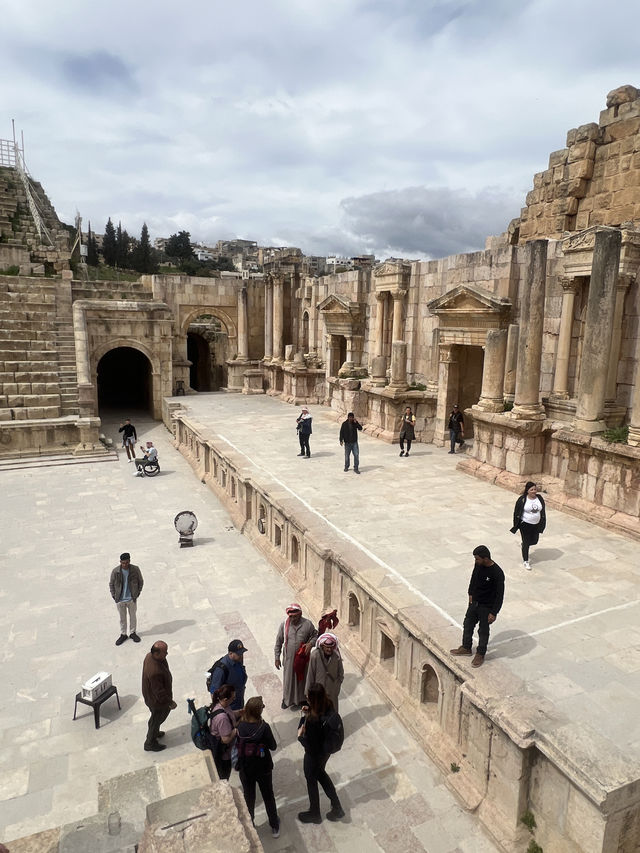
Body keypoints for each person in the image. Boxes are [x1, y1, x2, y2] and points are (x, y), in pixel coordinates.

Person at [297, 683, 345, 824]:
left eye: (308, 696)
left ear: (313, 698)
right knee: (321, 775)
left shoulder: (313, 721)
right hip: (325, 752)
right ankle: (336, 807)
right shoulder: (329, 704)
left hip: (314, 755)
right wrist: (309, 710)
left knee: (311, 779)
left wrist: (300, 736)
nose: (306, 697)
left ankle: (315, 813)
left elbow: (311, 746)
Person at [450, 545, 505, 668]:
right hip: (474, 603)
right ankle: (466, 647)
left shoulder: (497, 573)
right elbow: (474, 578)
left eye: (477, 559)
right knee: (468, 624)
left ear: (485, 558)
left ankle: (480, 653)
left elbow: (499, 595)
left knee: (483, 631)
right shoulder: (478, 566)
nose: (476, 561)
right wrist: (470, 593)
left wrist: (494, 612)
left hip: (487, 607)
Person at [236, 696, 280, 838]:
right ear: (258, 711)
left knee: (249, 798)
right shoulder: (263, 727)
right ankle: (274, 826)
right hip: (263, 767)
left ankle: (251, 826)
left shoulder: (240, 726)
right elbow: (273, 746)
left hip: (246, 768)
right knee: (268, 796)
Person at [274, 604, 318, 710]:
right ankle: (287, 700)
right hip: (289, 660)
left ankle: (302, 699)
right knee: (289, 680)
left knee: (302, 680)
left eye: (295, 616)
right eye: (291, 617)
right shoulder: (284, 625)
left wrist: (310, 644)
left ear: (300, 614)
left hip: (303, 659)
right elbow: (279, 641)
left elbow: (315, 635)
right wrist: (277, 657)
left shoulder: (307, 624)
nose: (293, 619)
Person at [141, 640, 177, 752]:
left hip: (152, 696)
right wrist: (170, 702)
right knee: (157, 718)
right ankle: (150, 742)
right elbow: (159, 692)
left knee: (156, 718)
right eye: (165, 652)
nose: (167, 654)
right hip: (156, 701)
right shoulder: (154, 671)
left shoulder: (150, 656)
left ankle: (155, 731)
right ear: (156, 653)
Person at [109, 552, 143, 646]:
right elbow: (111, 584)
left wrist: (137, 593)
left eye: (127, 562)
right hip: (120, 600)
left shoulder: (135, 569)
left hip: (131, 599)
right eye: (123, 563)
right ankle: (123, 634)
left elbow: (141, 581)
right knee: (122, 618)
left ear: (129, 561)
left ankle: (133, 633)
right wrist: (114, 595)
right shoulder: (115, 571)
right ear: (120, 562)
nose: (125, 564)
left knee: (133, 617)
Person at [511, 481, 546, 571]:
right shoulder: (522, 499)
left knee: (534, 541)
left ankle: (524, 545)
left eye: (535, 489)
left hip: (536, 524)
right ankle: (526, 560)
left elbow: (542, 511)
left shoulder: (539, 498)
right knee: (526, 542)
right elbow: (516, 512)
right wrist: (516, 524)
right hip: (525, 524)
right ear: (527, 491)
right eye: (532, 490)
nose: (534, 491)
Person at [305, 633, 344, 711]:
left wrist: (336, 686)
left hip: (332, 691)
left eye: (331, 647)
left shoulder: (336, 657)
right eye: (327, 647)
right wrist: (308, 692)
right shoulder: (315, 656)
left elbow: (341, 673)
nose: (329, 649)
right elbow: (310, 675)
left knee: (332, 712)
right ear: (322, 646)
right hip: (318, 691)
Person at [209, 684, 240, 780]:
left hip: (224, 750)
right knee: (224, 777)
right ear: (226, 699)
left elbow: (230, 714)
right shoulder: (222, 718)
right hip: (223, 754)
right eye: (233, 698)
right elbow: (226, 739)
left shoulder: (220, 705)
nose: (234, 700)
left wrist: (240, 712)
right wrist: (235, 731)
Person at [208, 639, 248, 711]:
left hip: (239, 701)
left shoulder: (238, 660)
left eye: (242, 653)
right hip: (230, 708)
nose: (241, 656)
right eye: (238, 654)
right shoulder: (221, 670)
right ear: (230, 653)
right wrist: (221, 711)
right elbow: (214, 692)